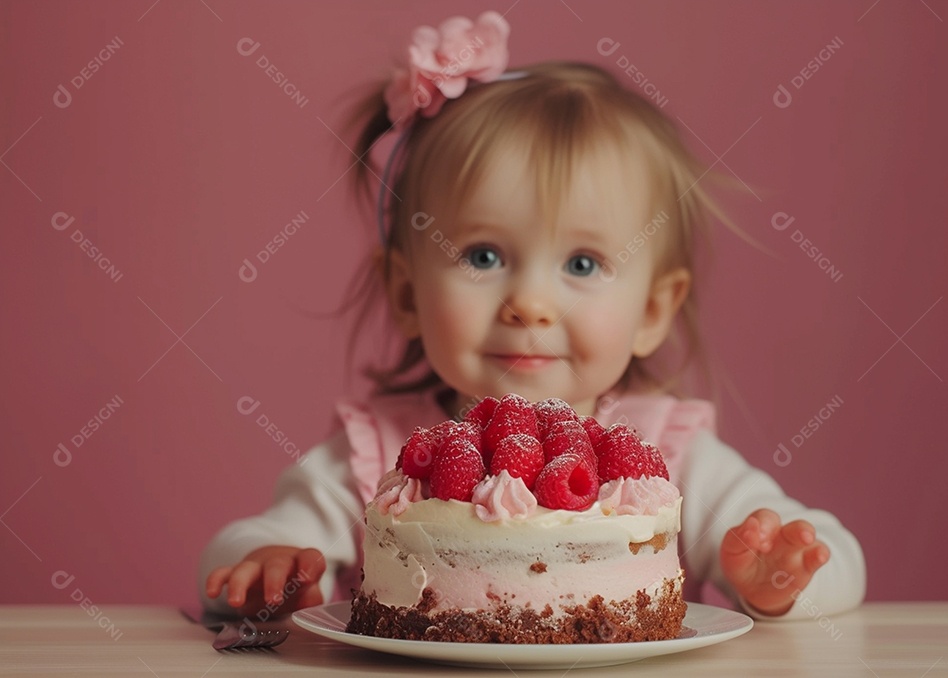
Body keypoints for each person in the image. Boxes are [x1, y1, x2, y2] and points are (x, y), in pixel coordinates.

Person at [200, 10, 865, 622]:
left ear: (654, 309)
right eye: (484, 255)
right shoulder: (377, 453)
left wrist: (779, 577)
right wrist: (267, 565)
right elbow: (242, 545)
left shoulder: (670, 454)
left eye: (581, 265)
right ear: (405, 295)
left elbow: (837, 556)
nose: (529, 304)